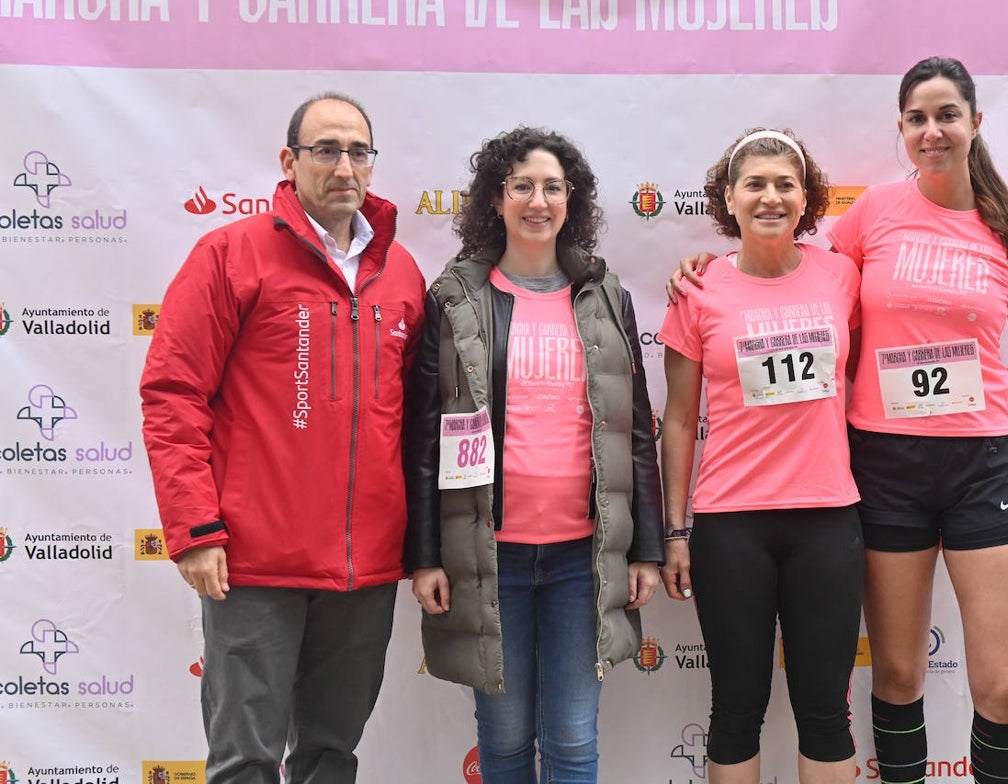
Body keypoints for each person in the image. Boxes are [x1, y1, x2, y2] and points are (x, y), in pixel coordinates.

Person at [671, 58, 1008, 784]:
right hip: (884, 464)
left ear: (975, 123)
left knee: (1004, 687)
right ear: (901, 128)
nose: (933, 130)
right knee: (893, 672)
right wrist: (711, 267)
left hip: (986, 463)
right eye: (917, 118)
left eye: (947, 114)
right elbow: (787, 275)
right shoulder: (873, 217)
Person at [140, 93, 426, 784]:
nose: (344, 167)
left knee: (331, 758)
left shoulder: (404, 274)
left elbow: (418, 422)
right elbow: (173, 395)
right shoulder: (230, 254)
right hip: (253, 564)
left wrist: (422, 546)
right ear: (289, 161)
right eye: (326, 150)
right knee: (245, 762)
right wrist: (196, 529)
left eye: (358, 151)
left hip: (364, 570)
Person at [403, 126, 664, 784]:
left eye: (553, 186)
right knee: (507, 737)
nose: (538, 200)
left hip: (585, 558)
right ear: (497, 198)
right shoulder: (456, 299)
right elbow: (426, 434)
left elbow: (636, 430)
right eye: (522, 186)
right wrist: (426, 554)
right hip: (490, 559)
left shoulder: (607, 298)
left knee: (574, 739)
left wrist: (648, 550)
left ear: (572, 199)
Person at [659, 129, 864, 784]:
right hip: (730, 525)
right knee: (736, 710)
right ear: (728, 197)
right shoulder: (698, 290)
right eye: (755, 184)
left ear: (806, 198)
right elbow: (681, 419)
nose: (771, 197)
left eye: (785, 184)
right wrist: (675, 531)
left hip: (829, 519)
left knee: (826, 712)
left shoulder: (841, 275)